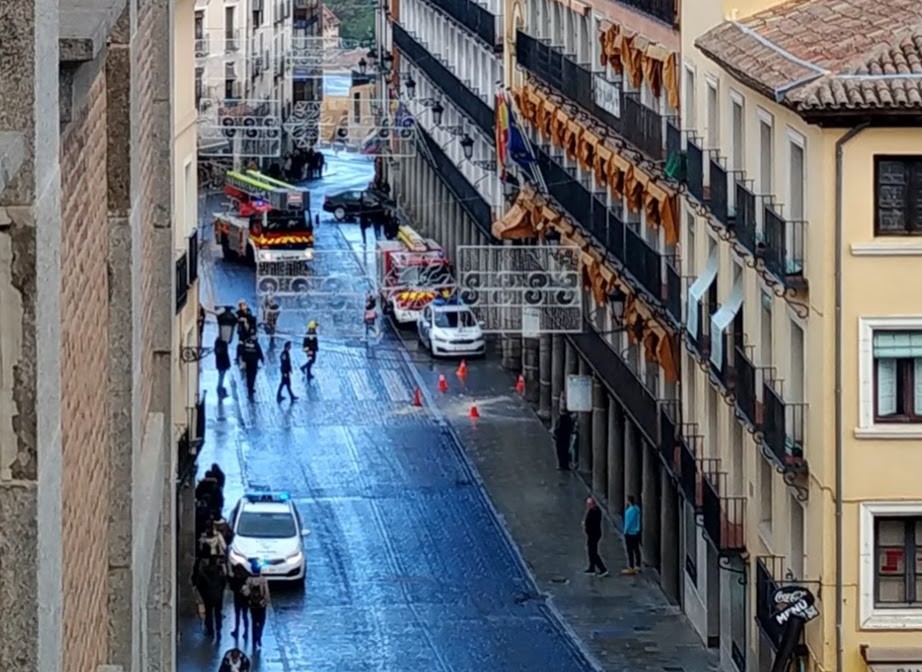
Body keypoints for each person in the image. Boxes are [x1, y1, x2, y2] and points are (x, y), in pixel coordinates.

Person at [193, 554, 227, 639]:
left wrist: (203, 593)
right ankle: (218, 629)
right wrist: (221, 591)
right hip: (218, 596)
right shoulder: (220, 571)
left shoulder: (204, 571)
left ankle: (210, 630)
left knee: (209, 613)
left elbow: (199, 584)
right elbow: (224, 582)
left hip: (208, 595)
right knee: (218, 613)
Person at [242, 560, 271, 649]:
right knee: (262, 622)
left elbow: (246, 593)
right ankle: (259, 636)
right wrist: (266, 601)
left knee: (254, 623)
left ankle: (254, 640)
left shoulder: (249, 580)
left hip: (253, 606)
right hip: (261, 605)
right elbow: (266, 593)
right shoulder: (263, 579)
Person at [583, 497, 608, 577]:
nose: (588, 505)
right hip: (591, 535)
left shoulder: (596, 511)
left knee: (593, 552)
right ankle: (592, 568)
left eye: (589, 504)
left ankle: (603, 569)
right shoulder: (592, 510)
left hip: (594, 535)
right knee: (590, 551)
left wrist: (587, 526)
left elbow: (593, 524)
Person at [228, 564, 251, 640]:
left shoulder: (235, 577)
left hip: (237, 598)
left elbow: (231, 587)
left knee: (237, 615)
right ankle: (246, 632)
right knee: (245, 616)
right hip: (245, 599)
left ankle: (236, 630)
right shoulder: (246, 576)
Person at [241, 333, 265, 399]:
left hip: (248, 363)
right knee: (253, 376)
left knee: (248, 376)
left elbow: (243, 352)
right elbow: (260, 352)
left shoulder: (246, 343)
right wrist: (262, 360)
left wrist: (243, 361)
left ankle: (249, 389)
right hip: (254, 363)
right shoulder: (256, 344)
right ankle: (251, 388)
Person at [622, 495, 642, 575]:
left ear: (628, 501)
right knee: (636, 549)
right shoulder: (637, 509)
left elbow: (628, 523)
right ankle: (638, 565)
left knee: (630, 550)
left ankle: (631, 567)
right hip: (636, 532)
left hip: (630, 533)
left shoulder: (629, 511)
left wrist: (625, 531)